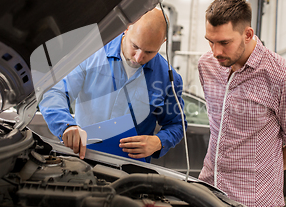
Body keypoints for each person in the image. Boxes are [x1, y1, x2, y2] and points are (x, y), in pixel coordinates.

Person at [197, 0, 286, 207]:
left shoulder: (283, 78)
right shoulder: (207, 65)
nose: (216, 51)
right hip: (209, 193)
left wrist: (260, 172)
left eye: (224, 42)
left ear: (248, 34)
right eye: (210, 41)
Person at [39, 8, 185, 161]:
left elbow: (177, 124)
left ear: (163, 42)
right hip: (82, 161)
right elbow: (53, 93)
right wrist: (66, 126)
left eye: (149, 52)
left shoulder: (168, 78)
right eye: (135, 46)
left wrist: (158, 141)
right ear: (127, 28)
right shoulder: (90, 54)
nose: (138, 57)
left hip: (131, 170)